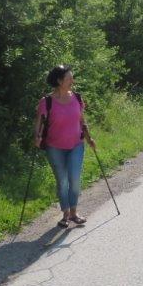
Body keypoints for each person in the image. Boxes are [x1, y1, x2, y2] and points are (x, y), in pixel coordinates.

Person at [33, 65, 97, 228]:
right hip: (54, 147)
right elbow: (39, 122)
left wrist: (89, 138)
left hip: (76, 145)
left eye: (72, 77)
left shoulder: (77, 98)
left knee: (74, 180)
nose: (72, 81)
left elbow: (82, 120)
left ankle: (74, 213)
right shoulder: (46, 101)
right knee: (62, 181)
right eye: (69, 78)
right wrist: (37, 137)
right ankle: (66, 214)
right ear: (59, 81)